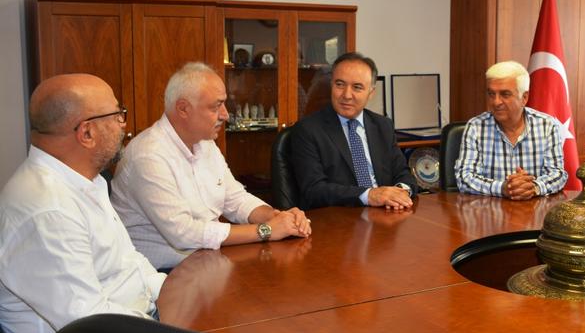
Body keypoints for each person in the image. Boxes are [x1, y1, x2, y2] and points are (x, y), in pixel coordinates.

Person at [0, 74, 165, 333]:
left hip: (128, 330)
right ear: (86, 133)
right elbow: (89, 324)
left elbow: (128, 263)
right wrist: (170, 330)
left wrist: (171, 293)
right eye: (117, 114)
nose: (124, 124)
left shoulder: (85, 181)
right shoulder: (48, 210)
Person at [112, 63, 310, 271]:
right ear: (183, 109)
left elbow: (235, 199)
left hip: (206, 263)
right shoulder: (148, 155)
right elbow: (183, 233)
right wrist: (266, 230)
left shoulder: (205, 143)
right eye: (216, 107)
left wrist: (278, 217)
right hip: (160, 275)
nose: (225, 114)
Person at [290, 52, 415, 209]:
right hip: (339, 220)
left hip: (386, 215)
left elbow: (403, 173)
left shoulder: (383, 126)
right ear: (331, 85)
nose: (347, 95)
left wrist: (400, 192)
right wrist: (368, 195)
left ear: (371, 93)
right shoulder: (307, 129)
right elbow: (314, 190)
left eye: (357, 87)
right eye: (340, 85)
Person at [455, 60, 567, 199]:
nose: (496, 102)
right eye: (491, 94)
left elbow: (558, 174)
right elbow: (464, 178)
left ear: (524, 98)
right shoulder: (476, 127)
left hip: (534, 213)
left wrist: (534, 187)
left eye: (505, 94)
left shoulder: (547, 126)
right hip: (490, 214)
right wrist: (502, 188)